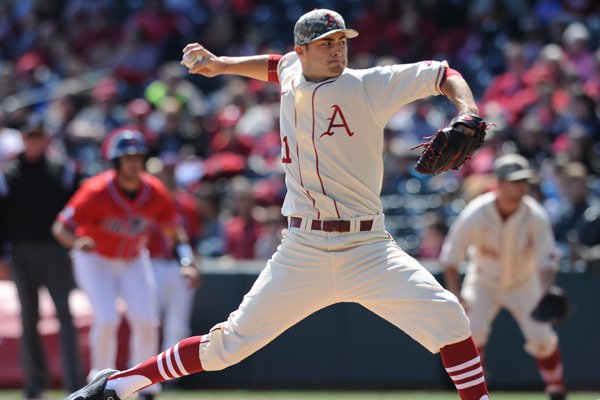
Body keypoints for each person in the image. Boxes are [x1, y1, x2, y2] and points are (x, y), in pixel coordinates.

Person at [65, 9, 491, 400]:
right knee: (225, 347)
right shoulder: (291, 70)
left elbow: (443, 73)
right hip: (303, 249)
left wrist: (467, 109)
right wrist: (221, 64)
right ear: (301, 51)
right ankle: (117, 385)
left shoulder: (368, 84)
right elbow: (274, 64)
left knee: (451, 319)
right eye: (327, 43)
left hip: (368, 248)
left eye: (342, 41)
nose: (338, 49)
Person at [52, 130, 198, 399]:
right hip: (95, 259)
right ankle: (96, 381)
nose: (134, 162)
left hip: (133, 259)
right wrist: (75, 242)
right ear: (115, 161)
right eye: (128, 157)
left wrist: (187, 261)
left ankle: (146, 387)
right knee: (107, 318)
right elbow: (60, 227)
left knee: (145, 320)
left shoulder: (154, 190)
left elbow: (174, 233)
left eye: (138, 156)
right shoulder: (95, 190)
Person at [440, 154, 567, 400]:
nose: (523, 185)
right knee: (471, 331)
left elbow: (547, 260)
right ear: (499, 182)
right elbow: (450, 257)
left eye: (525, 180)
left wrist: (546, 290)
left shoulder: (534, 214)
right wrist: (456, 295)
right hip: (484, 280)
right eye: (515, 180)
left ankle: (556, 389)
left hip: (523, 282)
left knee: (542, 339)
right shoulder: (476, 212)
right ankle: (478, 388)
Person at [0, 121, 83, 399]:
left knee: (65, 316)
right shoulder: (9, 174)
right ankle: (35, 385)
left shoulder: (59, 170)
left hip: (55, 251)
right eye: (30, 137)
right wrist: (2, 255)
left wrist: (73, 244)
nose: (34, 142)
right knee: (28, 318)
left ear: (46, 138)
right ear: (23, 139)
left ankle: (75, 383)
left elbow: (76, 208)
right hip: (22, 252)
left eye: (39, 136)